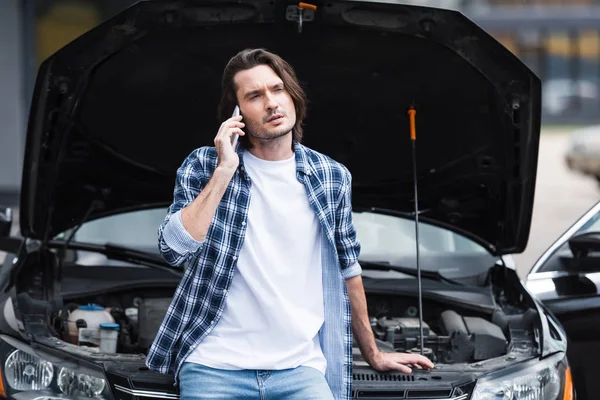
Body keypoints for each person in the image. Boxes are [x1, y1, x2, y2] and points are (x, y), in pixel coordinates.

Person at [146, 48, 434, 400]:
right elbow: (173, 249)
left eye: (277, 89)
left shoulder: (330, 177)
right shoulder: (205, 165)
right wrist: (224, 170)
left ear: (292, 95)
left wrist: (373, 353)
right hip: (214, 368)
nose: (271, 103)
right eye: (254, 95)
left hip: (299, 371)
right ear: (235, 114)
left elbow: (348, 268)